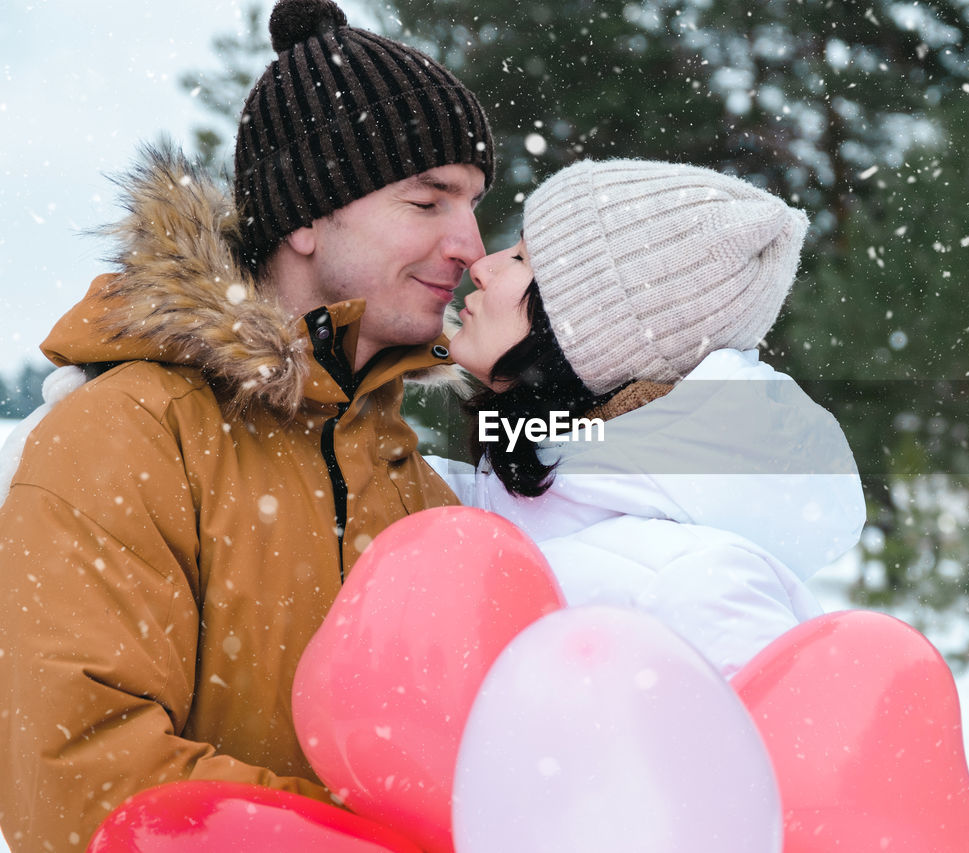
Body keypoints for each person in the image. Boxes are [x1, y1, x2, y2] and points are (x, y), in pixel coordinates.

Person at [0, 0, 493, 848]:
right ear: (306, 215)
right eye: (427, 201)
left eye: (474, 203)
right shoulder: (126, 434)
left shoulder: (419, 483)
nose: (471, 245)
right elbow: (82, 780)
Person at [433, 159, 866, 677]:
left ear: (590, 337)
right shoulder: (484, 495)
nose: (483, 266)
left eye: (523, 258)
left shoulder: (695, 585)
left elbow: (787, 749)